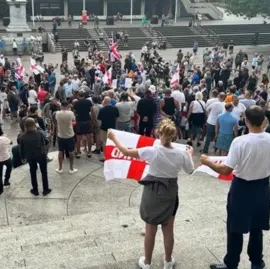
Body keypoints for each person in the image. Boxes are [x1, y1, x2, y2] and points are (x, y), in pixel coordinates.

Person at [201, 106, 270, 269]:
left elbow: (225, 169)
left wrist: (207, 161)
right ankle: (257, 262)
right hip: (262, 187)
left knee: (235, 228)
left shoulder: (240, 142)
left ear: (246, 120)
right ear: (264, 120)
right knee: (257, 228)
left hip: (241, 188)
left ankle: (231, 263)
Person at [107, 118, 194, 269]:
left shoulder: (151, 151)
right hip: (171, 192)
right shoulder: (182, 154)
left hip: (152, 191)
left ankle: (147, 262)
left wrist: (114, 137)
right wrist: (190, 153)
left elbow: (126, 151)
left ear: (158, 133)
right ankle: (167, 261)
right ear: (174, 136)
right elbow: (190, 170)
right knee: (168, 228)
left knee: (150, 228)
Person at [19, 118, 51, 196]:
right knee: (44, 172)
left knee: (33, 173)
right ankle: (45, 189)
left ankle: (35, 190)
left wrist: (23, 157)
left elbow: (21, 149)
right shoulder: (39, 133)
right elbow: (46, 139)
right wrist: (38, 127)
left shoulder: (22, 136)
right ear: (34, 124)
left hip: (30, 156)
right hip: (41, 154)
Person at [55, 100, 78, 173]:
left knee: (61, 151)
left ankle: (60, 168)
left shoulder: (57, 113)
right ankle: (71, 169)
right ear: (68, 106)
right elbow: (74, 119)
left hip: (61, 135)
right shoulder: (70, 113)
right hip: (70, 135)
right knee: (71, 151)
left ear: (61, 106)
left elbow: (56, 120)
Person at [74, 91, 95, 158]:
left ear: (78, 95)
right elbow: (92, 111)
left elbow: (74, 113)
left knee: (78, 138)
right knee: (89, 137)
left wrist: (75, 120)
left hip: (79, 121)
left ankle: (78, 152)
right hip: (87, 120)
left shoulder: (76, 103)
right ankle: (89, 152)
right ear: (84, 95)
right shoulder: (88, 102)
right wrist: (93, 120)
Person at [98, 96, 120, 161]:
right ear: (110, 101)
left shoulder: (102, 109)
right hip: (112, 127)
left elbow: (100, 120)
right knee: (112, 141)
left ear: (104, 101)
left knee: (104, 142)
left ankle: (105, 156)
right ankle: (112, 155)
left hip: (104, 127)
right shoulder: (115, 108)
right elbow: (116, 117)